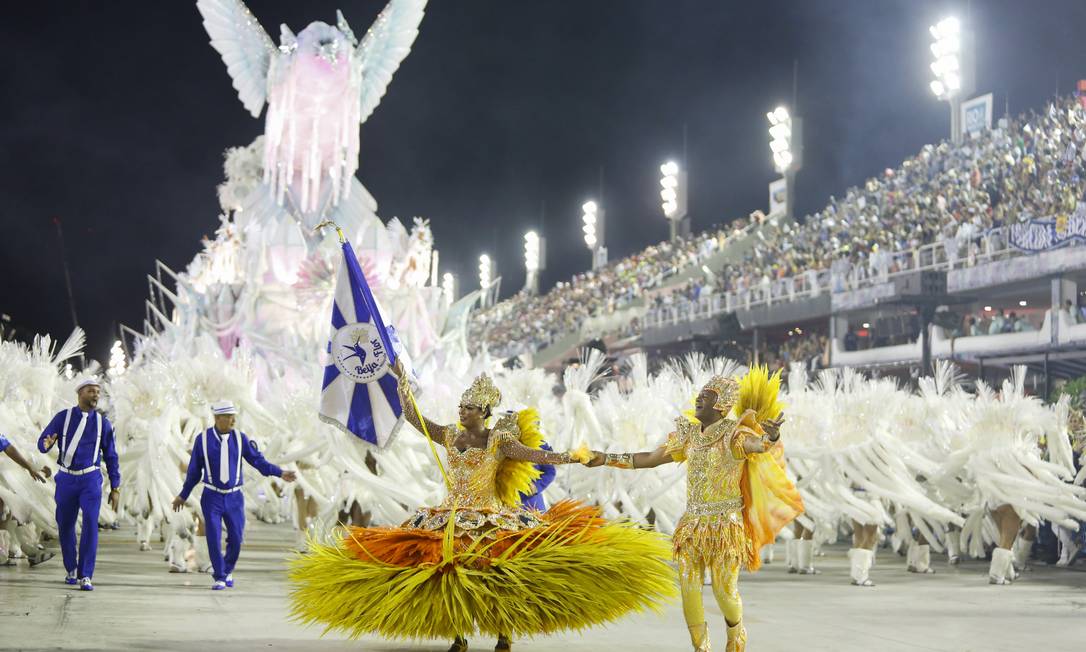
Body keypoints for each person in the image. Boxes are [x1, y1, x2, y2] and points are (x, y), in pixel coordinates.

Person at [290, 372, 675, 651]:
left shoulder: (498, 440)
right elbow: (415, 419)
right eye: (460, 405)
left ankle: (504, 632)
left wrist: (573, 456)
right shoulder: (449, 435)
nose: (462, 410)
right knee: (450, 576)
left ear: (484, 411)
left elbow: (535, 456)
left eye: (469, 407)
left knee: (500, 577)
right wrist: (401, 385)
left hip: (490, 517)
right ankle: (458, 635)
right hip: (450, 515)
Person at [587, 373, 802, 652]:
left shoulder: (735, 435)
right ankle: (701, 648)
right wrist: (605, 458)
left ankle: (736, 634)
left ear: (722, 404)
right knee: (689, 591)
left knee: (724, 594)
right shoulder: (688, 436)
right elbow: (650, 459)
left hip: (726, 527)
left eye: (707, 394)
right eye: (700, 393)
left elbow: (757, 446)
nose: (699, 398)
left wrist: (769, 437)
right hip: (692, 526)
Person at [171, 401, 296, 590]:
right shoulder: (202, 440)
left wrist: (279, 472)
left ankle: (228, 569)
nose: (233, 420)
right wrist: (183, 495)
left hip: (234, 497)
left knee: (236, 538)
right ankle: (220, 576)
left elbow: (258, 461)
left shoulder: (240, 439)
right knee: (213, 536)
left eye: (233, 416)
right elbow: (194, 472)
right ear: (217, 418)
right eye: (229, 416)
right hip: (211, 497)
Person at [36, 378, 121, 591]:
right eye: (91, 391)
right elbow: (43, 441)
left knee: (91, 523)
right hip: (66, 479)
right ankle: (71, 569)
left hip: (90, 479)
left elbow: (111, 457)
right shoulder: (63, 418)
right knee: (65, 525)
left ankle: (86, 574)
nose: (96, 395)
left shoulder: (103, 424)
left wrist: (116, 487)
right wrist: (45, 445)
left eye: (98, 392)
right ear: (80, 393)